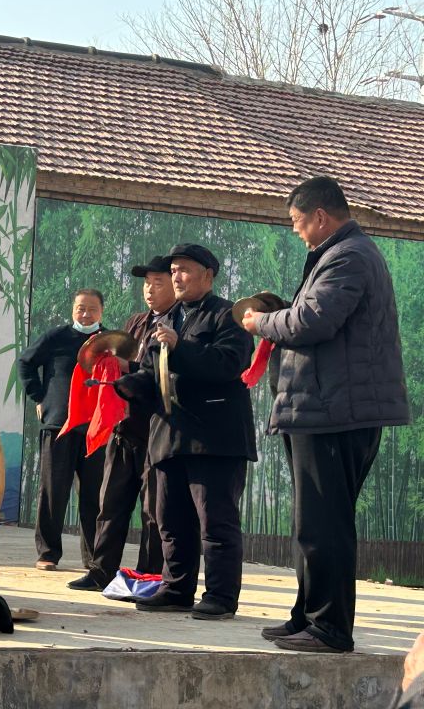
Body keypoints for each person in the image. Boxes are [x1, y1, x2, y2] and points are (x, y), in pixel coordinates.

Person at [242, 176, 410, 653]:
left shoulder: (349, 255)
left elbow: (312, 320)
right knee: (310, 523)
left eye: (297, 221)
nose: (296, 231)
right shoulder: (337, 255)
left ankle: (330, 628)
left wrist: (260, 322)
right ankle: (307, 616)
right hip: (319, 408)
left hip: (337, 412)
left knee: (326, 523)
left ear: (320, 216)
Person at [116, 244, 256, 621]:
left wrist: (180, 347)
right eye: (173, 270)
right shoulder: (166, 320)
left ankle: (221, 596)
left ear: (208, 275)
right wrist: (125, 384)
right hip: (169, 434)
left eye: (184, 270)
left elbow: (229, 364)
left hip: (214, 437)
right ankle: (176, 589)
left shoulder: (228, 315)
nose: (176, 277)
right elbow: (153, 374)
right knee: (170, 519)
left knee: (215, 521)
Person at [68, 258, 172, 591]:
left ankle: (149, 575)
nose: (149, 289)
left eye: (157, 282)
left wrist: (127, 368)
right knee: (111, 502)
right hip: (124, 426)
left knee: (153, 511)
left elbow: (160, 373)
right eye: (146, 283)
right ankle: (101, 571)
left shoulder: (177, 325)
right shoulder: (136, 322)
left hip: (156, 429)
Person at [17, 289, 106, 572]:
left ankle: (94, 558)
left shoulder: (110, 342)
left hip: (96, 429)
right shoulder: (56, 337)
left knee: (94, 495)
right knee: (53, 491)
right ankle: (48, 553)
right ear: (73, 310)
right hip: (59, 424)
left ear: (101, 311)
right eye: (81, 308)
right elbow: (25, 362)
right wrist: (39, 397)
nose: (86, 314)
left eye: (92, 309)